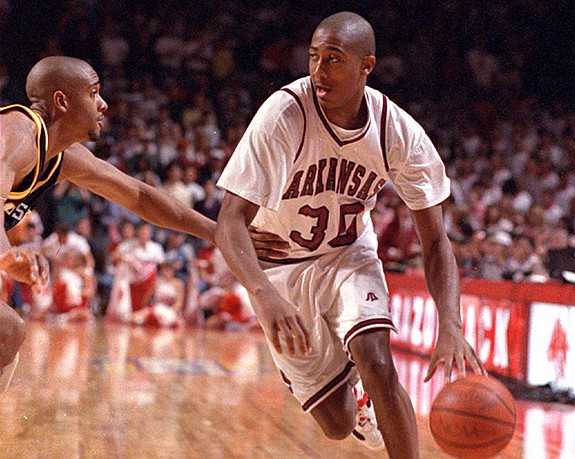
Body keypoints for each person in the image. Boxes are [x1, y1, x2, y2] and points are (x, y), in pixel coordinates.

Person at [215, 12, 485, 458]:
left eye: (334, 59)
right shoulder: (284, 114)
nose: (320, 71)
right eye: (314, 58)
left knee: (377, 359)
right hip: (281, 266)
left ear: (367, 66)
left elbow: (435, 240)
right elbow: (230, 220)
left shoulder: (397, 132)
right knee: (337, 424)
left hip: (347, 255)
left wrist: (451, 324)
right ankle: (354, 401)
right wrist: (264, 294)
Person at [0, 56, 288, 393]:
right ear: (62, 101)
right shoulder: (17, 131)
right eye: (93, 93)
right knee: (7, 329)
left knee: (7, 334)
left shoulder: (64, 156)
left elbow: (139, 196)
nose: (103, 104)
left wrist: (219, 234)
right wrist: (6, 254)